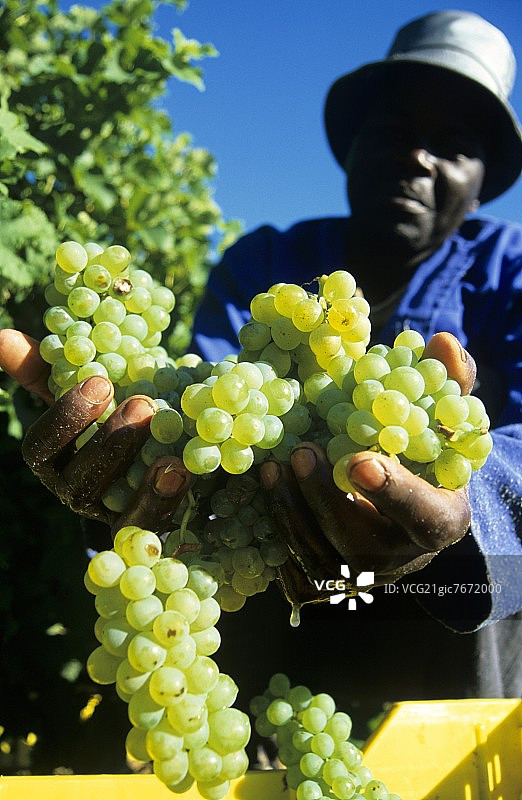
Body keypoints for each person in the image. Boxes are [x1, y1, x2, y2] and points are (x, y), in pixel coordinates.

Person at [0, 9, 520, 731]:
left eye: (453, 144)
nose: (420, 158)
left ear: (482, 177)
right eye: (397, 132)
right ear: (355, 145)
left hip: (457, 670)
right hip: (272, 649)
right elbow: (206, 419)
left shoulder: (513, 270)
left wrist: (478, 507)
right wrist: (132, 462)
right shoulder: (263, 264)